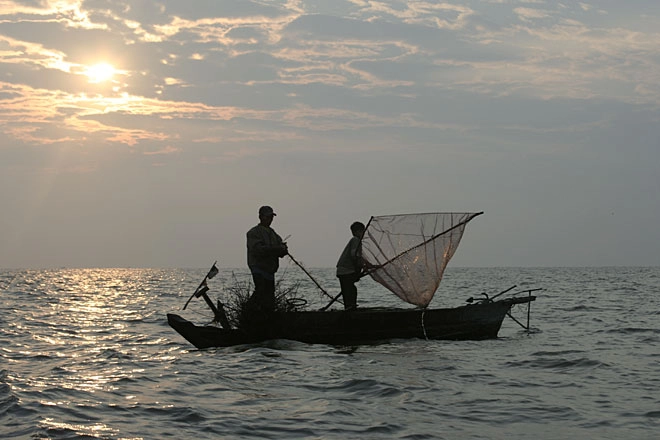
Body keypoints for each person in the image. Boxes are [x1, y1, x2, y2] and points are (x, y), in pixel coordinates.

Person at [246, 205, 288, 312]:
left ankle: (266, 317)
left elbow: (281, 250)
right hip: (258, 267)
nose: (270, 219)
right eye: (268, 217)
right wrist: (276, 248)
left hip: (270, 270)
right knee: (260, 291)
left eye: (271, 217)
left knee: (269, 297)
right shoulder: (253, 232)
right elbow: (258, 250)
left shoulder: (273, 234)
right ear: (261, 217)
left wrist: (283, 249)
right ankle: (247, 310)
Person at [336, 221, 366, 310]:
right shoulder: (355, 240)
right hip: (345, 270)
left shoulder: (356, 241)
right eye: (362, 231)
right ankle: (350, 309)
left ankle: (349, 308)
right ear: (357, 232)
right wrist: (359, 267)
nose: (364, 234)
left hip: (344, 270)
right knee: (350, 291)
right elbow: (354, 255)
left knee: (348, 290)